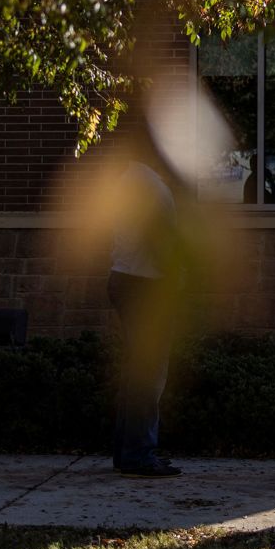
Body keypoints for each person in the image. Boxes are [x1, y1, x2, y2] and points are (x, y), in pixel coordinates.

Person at [107, 124, 184, 479]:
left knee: (135, 372)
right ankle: (139, 453)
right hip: (147, 286)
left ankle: (127, 451)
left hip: (123, 278)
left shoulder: (126, 179)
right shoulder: (152, 185)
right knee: (149, 375)